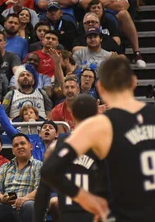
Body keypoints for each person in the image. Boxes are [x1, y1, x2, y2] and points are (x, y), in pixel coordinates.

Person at [41, 57, 155, 222]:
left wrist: (86, 199)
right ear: (134, 83)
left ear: (101, 88)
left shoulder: (98, 126)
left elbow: (50, 169)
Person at [34, 94, 108, 222]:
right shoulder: (105, 144)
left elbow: (43, 192)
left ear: (72, 114)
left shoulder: (55, 146)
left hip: (68, 213)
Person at [0, 133, 42, 222]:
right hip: (6, 207)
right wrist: (2, 199)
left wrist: (24, 199)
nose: (20, 147)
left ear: (31, 146)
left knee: (30, 205)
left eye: (23, 143)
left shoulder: (39, 166)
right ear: (13, 150)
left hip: (27, 205)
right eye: (16, 145)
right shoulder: (5, 167)